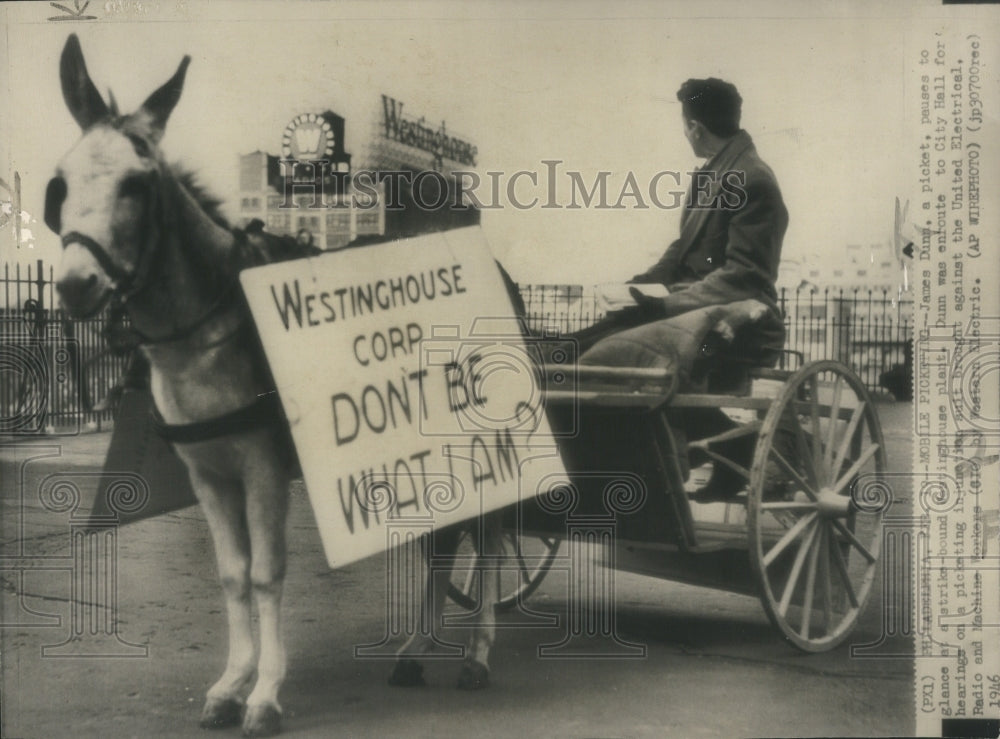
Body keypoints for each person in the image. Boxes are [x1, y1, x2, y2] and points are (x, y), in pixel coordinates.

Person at [577, 78, 791, 500]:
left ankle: (719, 449)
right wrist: (636, 288)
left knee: (613, 355)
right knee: (593, 339)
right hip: (695, 313)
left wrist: (665, 303)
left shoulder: (753, 179)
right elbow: (680, 252)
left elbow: (744, 277)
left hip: (740, 319)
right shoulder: (715, 174)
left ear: (694, 128)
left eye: (684, 126)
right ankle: (728, 446)